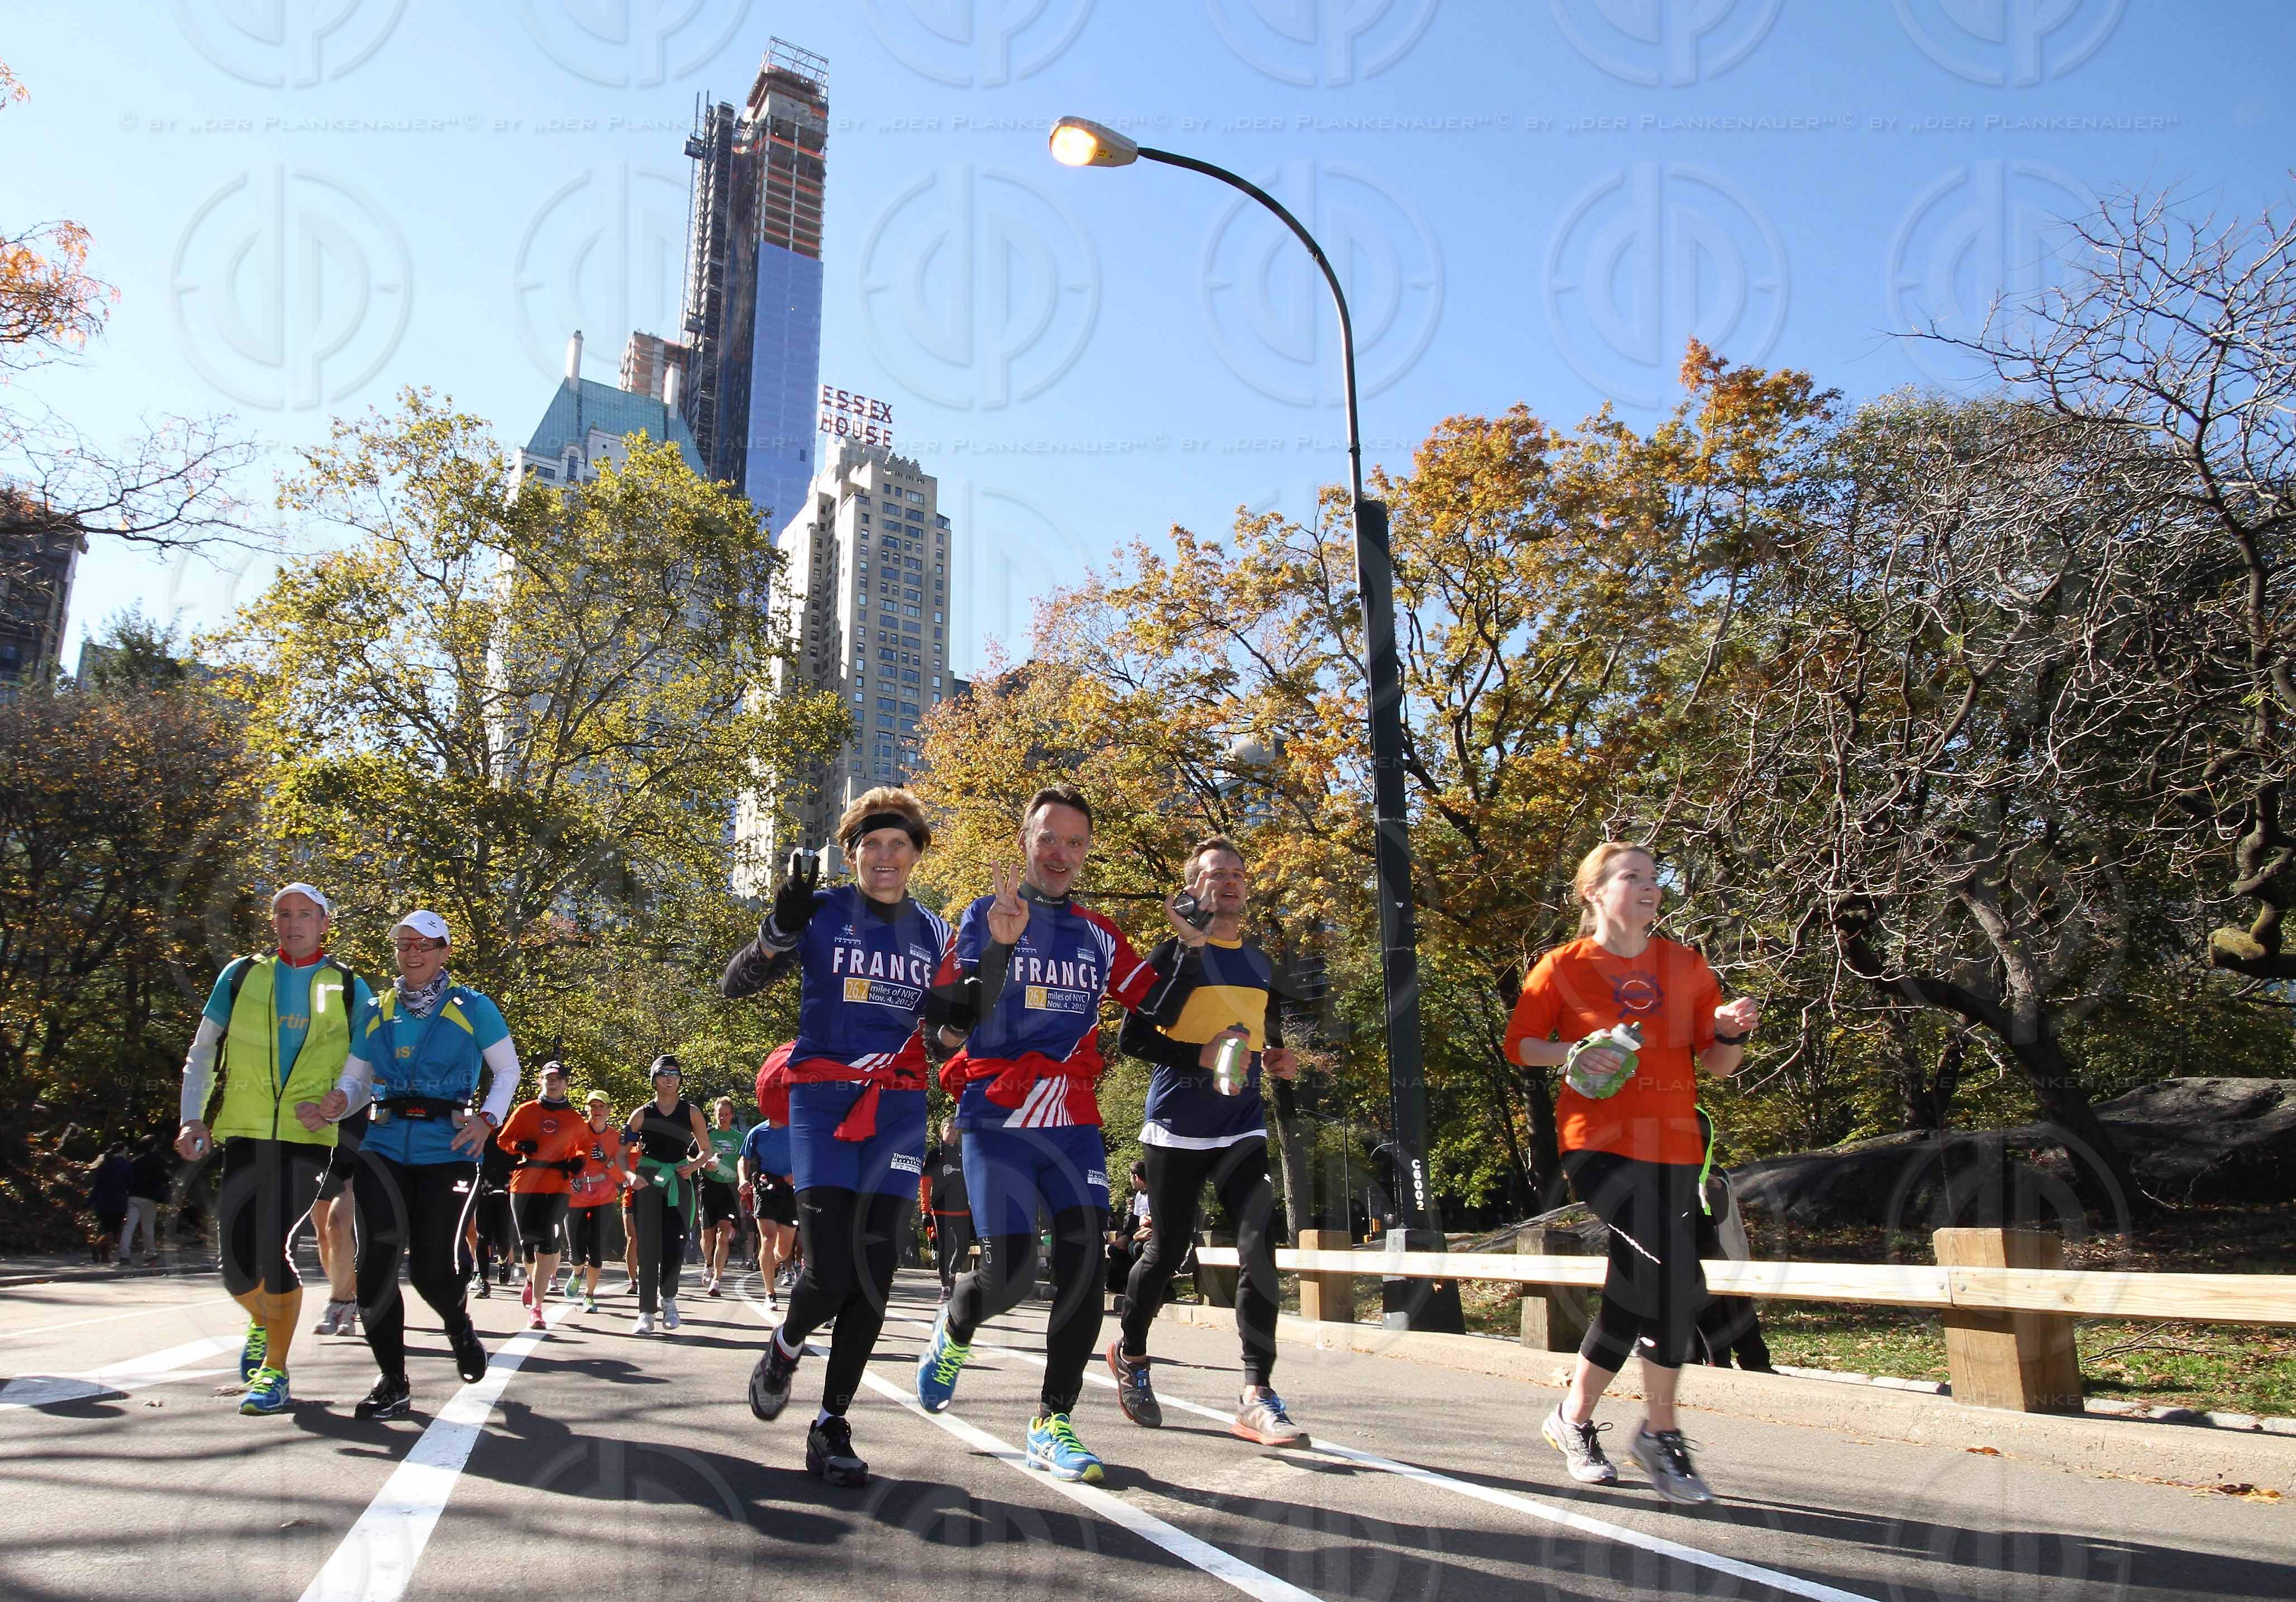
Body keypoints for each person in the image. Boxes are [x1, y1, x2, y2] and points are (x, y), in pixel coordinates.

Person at [914, 783, 1174, 1485]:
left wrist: (1194, 945)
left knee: (1087, 1267)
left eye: (1076, 842)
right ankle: (955, 1328)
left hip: (1073, 1118)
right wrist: (998, 949)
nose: (1061, 853)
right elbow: (948, 1026)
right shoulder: (982, 916)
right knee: (1009, 1274)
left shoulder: (1098, 934)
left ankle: (1051, 1420)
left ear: (1087, 853)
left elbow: (1161, 1003)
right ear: (1025, 843)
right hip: (996, 1116)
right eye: (1048, 838)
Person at [1504, 842, 1760, 1506]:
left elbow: (1718, 1066)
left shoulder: (1685, 964)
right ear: (1593, 892)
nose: (1651, 887)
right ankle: (1661, 1434)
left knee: (1635, 1288)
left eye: (1655, 877)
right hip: (1598, 1144)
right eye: (1633, 877)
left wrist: (1730, 1030)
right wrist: (1576, 1050)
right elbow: (1522, 1045)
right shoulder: (1562, 967)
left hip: (1675, 1148)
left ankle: (1572, 1419)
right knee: (1677, 1272)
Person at [723, 789, 951, 1489]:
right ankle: (785, 1349)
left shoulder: (937, 934)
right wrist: (777, 930)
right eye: (872, 846)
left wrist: (971, 1011)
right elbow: (736, 985)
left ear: (916, 857)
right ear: (852, 854)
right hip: (822, 1102)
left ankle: (830, 1426)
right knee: (829, 1272)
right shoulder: (821, 913)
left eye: (899, 846)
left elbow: (946, 1038)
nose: (886, 857)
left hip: (900, 1109)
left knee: (876, 1277)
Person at [1108, 836, 1307, 1447]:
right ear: (1192, 887)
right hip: (1174, 1126)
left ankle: (1257, 1393)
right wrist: (1198, 1055)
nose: (1229, 883)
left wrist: (1278, 1059)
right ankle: (1132, 1352)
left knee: (1259, 1248)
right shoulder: (1172, 956)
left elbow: (1261, 1036)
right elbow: (1131, 1042)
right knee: (1166, 1254)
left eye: (1238, 875)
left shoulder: (1261, 963)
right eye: (1215, 875)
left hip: (1241, 1123)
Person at [311, 908, 521, 1422]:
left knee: (431, 1270)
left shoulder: (473, 1007)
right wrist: (341, 1098)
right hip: (383, 1148)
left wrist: (488, 1121)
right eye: (404, 945)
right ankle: (393, 1381)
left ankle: (457, 1325)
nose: (412, 954)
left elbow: (507, 1069)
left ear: (445, 951)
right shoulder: (379, 1009)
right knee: (376, 1266)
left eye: (423, 945)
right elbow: (357, 1078)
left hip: (446, 1151)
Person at [175, 883, 373, 1415]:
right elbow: (203, 1049)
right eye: (283, 914)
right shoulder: (242, 976)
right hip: (245, 1129)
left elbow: (364, 1066)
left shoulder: (349, 987)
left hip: (307, 1137)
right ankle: (264, 1321)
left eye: (305, 915)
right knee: (235, 1264)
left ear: (325, 923)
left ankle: (276, 1372)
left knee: (269, 1242)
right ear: (274, 922)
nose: (293, 923)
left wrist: (339, 1100)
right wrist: (193, 1115)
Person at [496, 1061, 587, 1332]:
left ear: (566, 1083)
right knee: (528, 1244)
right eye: (548, 1077)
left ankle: (537, 1308)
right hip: (525, 1184)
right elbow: (503, 1139)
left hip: (557, 1185)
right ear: (540, 1081)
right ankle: (531, 1278)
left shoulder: (574, 1118)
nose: (553, 1082)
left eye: (558, 1078)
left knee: (547, 1242)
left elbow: (583, 1148)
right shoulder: (526, 1111)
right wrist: (519, 1145)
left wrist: (578, 1162)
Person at [623, 1056, 709, 1336]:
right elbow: (620, 1154)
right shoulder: (642, 1114)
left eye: (674, 1074)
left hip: (678, 1181)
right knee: (647, 1245)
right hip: (648, 1182)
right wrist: (630, 1176)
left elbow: (706, 1150)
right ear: (655, 1079)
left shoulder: (692, 1112)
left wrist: (694, 1165)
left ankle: (669, 1301)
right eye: (663, 1074)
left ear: (680, 1079)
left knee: (676, 1243)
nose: (669, 1079)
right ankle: (646, 1312)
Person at [1693, 1107, 1774, 1373]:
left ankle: (1737, 1363)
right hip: (1715, 1254)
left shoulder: (1711, 1180)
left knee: (1724, 1307)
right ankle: (1740, 1361)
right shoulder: (1713, 1176)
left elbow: (1720, 1221)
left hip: (1715, 1252)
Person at [564, 1091, 629, 1312]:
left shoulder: (616, 1137)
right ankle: (576, 1271)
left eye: (602, 1106)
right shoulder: (576, 1132)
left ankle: (590, 1296)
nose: (597, 1111)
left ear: (609, 1110)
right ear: (587, 1110)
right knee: (576, 1253)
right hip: (577, 1196)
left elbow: (623, 1177)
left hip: (603, 1197)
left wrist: (607, 1162)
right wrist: (569, 1180)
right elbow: (562, 1160)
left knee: (596, 1248)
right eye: (593, 1106)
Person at [308, 1105, 366, 1334]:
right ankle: (349, 1294)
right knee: (323, 1237)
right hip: (319, 1151)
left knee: (337, 1227)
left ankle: (341, 1302)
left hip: (353, 1148)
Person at [739, 1102, 797, 1312]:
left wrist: (797, 1173)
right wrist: (742, 1180)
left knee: (783, 1250)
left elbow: (810, 1156)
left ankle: (769, 1263)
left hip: (790, 1190)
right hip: (765, 1187)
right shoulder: (757, 1132)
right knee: (768, 1239)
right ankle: (770, 1293)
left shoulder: (795, 1129)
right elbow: (743, 1159)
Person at [918, 1118, 971, 1303]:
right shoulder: (934, 1154)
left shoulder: (963, 1153)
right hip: (941, 1209)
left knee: (964, 1246)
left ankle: (952, 1273)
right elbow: (925, 1184)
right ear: (942, 1131)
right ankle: (946, 1288)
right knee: (945, 1247)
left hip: (962, 1208)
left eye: (956, 1129)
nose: (953, 1132)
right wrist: (925, 1211)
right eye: (949, 1128)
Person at [698, 1097, 745, 1297]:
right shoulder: (707, 1134)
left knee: (723, 1236)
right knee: (707, 1238)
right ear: (714, 1114)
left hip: (729, 1190)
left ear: (732, 1116)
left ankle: (717, 1280)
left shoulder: (739, 1138)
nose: (722, 1118)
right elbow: (691, 1156)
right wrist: (702, 1164)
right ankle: (709, 1263)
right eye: (719, 1114)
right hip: (708, 1187)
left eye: (726, 1114)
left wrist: (745, 1181)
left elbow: (746, 1162)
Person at [1104, 1160, 1150, 1303]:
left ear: (1135, 1177)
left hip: (1152, 1236)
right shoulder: (1139, 1196)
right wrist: (1126, 1236)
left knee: (1136, 1248)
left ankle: (1145, 1289)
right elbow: (1135, 1221)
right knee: (1115, 1249)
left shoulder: (1154, 1194)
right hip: (1139, 1234)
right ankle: (1118, 1286)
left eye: (1131, 1177)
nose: (1131, 1181)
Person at [124, 1136, 173, 1267]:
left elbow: (128, 1178)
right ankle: (149, 1254)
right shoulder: (155, 1160)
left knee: (129, 1226)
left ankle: (124, 1255)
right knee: (148, 1228)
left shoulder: (135, 1161)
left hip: (133, 1196)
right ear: (153, 1146)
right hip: (149, 1198)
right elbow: (165, 1177)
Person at [88, 1144, 131, 1265]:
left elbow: (96, 1184)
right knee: (113, 1230)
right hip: (118, 1201)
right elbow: (130, 1183)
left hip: (101, 1201)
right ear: (122, 1151)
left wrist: (91, 1201)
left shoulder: (103, 1163)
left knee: (104, 1228)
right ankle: (98, 1245)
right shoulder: (125, 1165)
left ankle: (105, 1257)